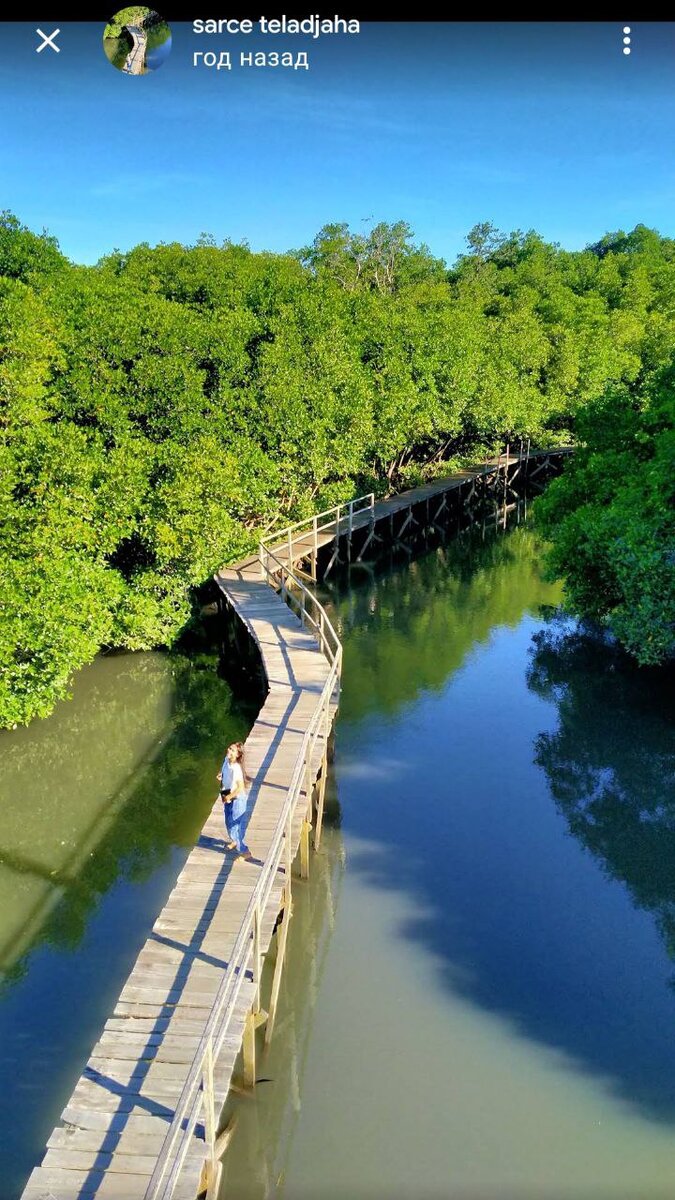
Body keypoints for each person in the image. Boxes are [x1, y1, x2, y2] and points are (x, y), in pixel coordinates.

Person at [216, 742, 252, 860]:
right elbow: (225, 772)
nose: (229, 751)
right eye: (229, 748)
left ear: (237, 755)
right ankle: (235, 841)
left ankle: (245, 852)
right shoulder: (226, 760)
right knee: (228, 822)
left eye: (232, 750)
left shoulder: (236, 768)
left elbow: (240, 788)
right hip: (227, 795)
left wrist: (229, 797)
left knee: (235, 826)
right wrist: (221, 775)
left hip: (237, 799)